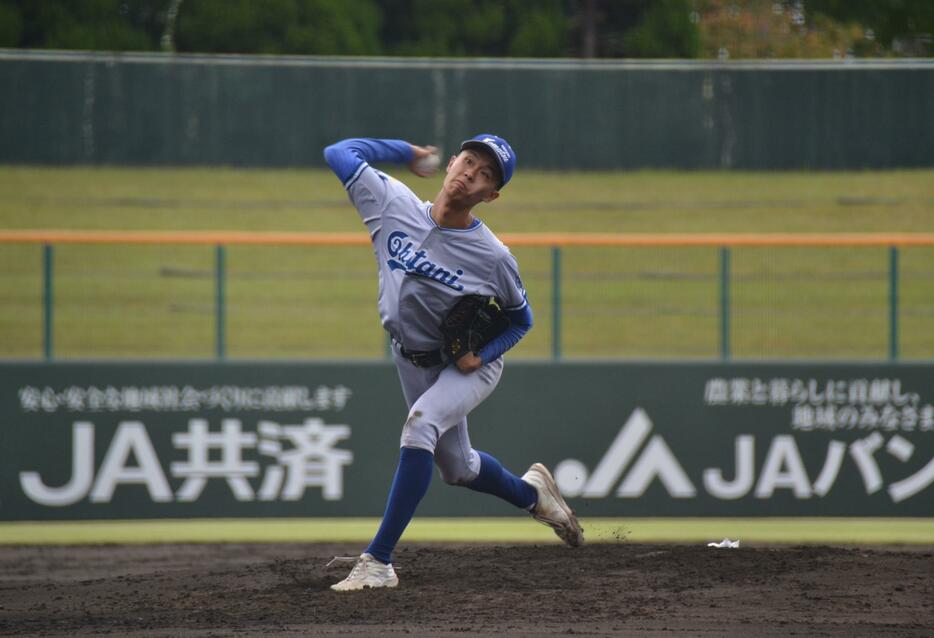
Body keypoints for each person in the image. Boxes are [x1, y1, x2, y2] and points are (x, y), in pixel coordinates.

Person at [322, 135, 583, 592]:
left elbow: (522, 321)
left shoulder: (493, 256)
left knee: (419, 426)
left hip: (466, 365)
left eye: (484, 174)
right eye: (467, 161)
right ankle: (534, 495)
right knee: (458, 469)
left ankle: (379, 562)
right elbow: (339, 154)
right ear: (451, 166)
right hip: (409, 356)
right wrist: (406, 153)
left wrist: (480, 355)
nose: (470, 173)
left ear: (491, 195)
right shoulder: (392, 204)